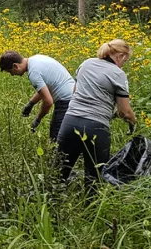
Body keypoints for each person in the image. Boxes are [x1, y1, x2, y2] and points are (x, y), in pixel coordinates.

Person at [57, 39, 137, 190]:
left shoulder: (86, 63)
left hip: (69, 122)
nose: (123, 65)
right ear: (119, 56)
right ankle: (89, 211)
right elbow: (125, 111)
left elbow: (75, 92)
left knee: (59, 172)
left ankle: (50, 207)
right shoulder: (118, 74)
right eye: (124, 61)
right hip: (95, 127)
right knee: (94, 178)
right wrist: (134, 123)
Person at [0, 51, 75, 141]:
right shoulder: (36, 59)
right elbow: (45, 88)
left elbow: (48, 102)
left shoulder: (33, 73)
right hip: (74, 94)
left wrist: (37, 119)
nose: (12, 75)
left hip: (65, 101)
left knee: (56, 138)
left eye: (10, 71)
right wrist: (31, 104)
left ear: (15, 65)